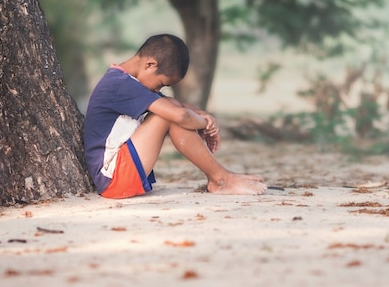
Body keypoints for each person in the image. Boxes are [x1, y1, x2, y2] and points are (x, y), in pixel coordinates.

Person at [83, 34, 267, 198]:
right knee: (170, 116)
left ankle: (220, 178)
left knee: (170, 109)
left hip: (120, 175)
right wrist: (204, 124)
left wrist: (205, 115)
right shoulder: (119, 85)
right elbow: (180, 115)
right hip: (113, 178)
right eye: (161, 83)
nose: (158, 90)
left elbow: (175, 105)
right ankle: (221, 179)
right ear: (150, 64)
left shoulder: (129, 82)